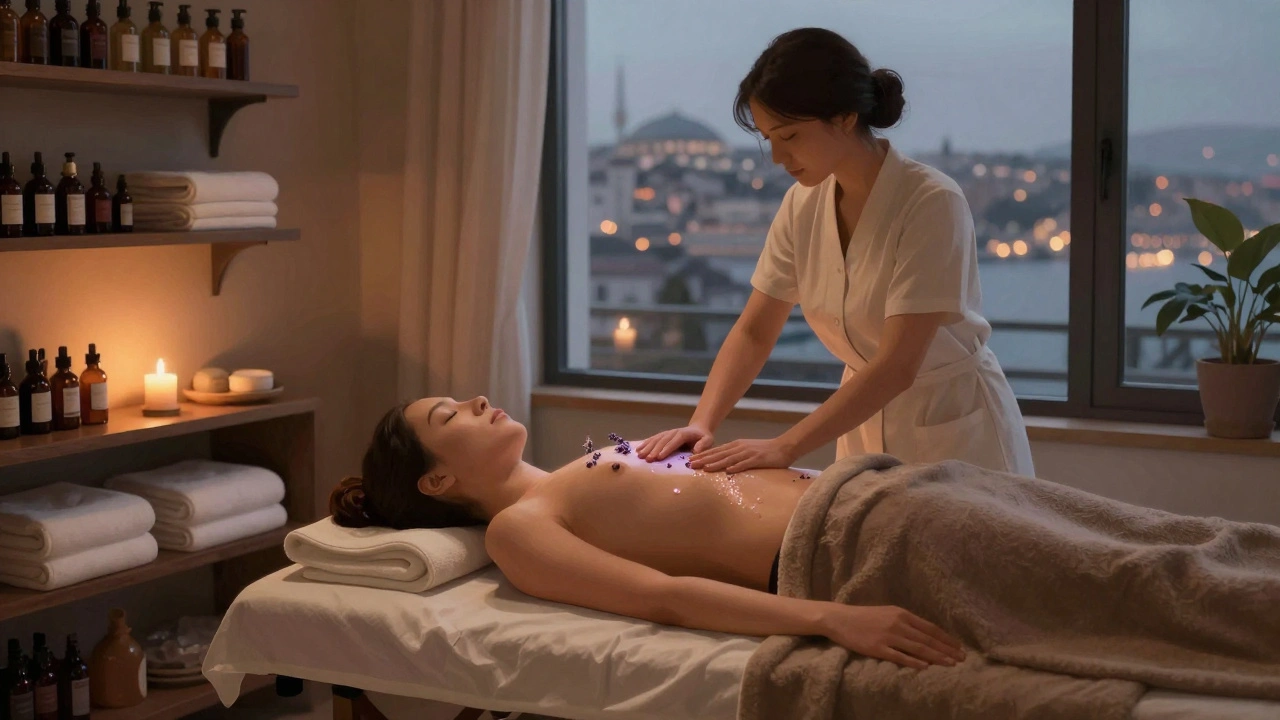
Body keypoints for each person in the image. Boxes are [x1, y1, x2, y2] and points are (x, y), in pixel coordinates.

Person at [637, 28, 1034, 477]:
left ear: (844, 117)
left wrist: (786, 447)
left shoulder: (931, 202)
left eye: (789, 136)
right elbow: (754, 331)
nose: (777, 157)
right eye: (769, 139)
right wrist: (701, 424)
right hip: (861, 424)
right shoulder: (803, 204)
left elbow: (897, 365)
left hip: (952, 428)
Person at [332, 395, 968, 671]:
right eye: (450, 416)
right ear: (436, 482)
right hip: (842, 549)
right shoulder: (517, 531)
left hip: (872, 492)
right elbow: (664, 595)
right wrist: (831, 619)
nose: (475, 400)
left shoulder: (566, 476)